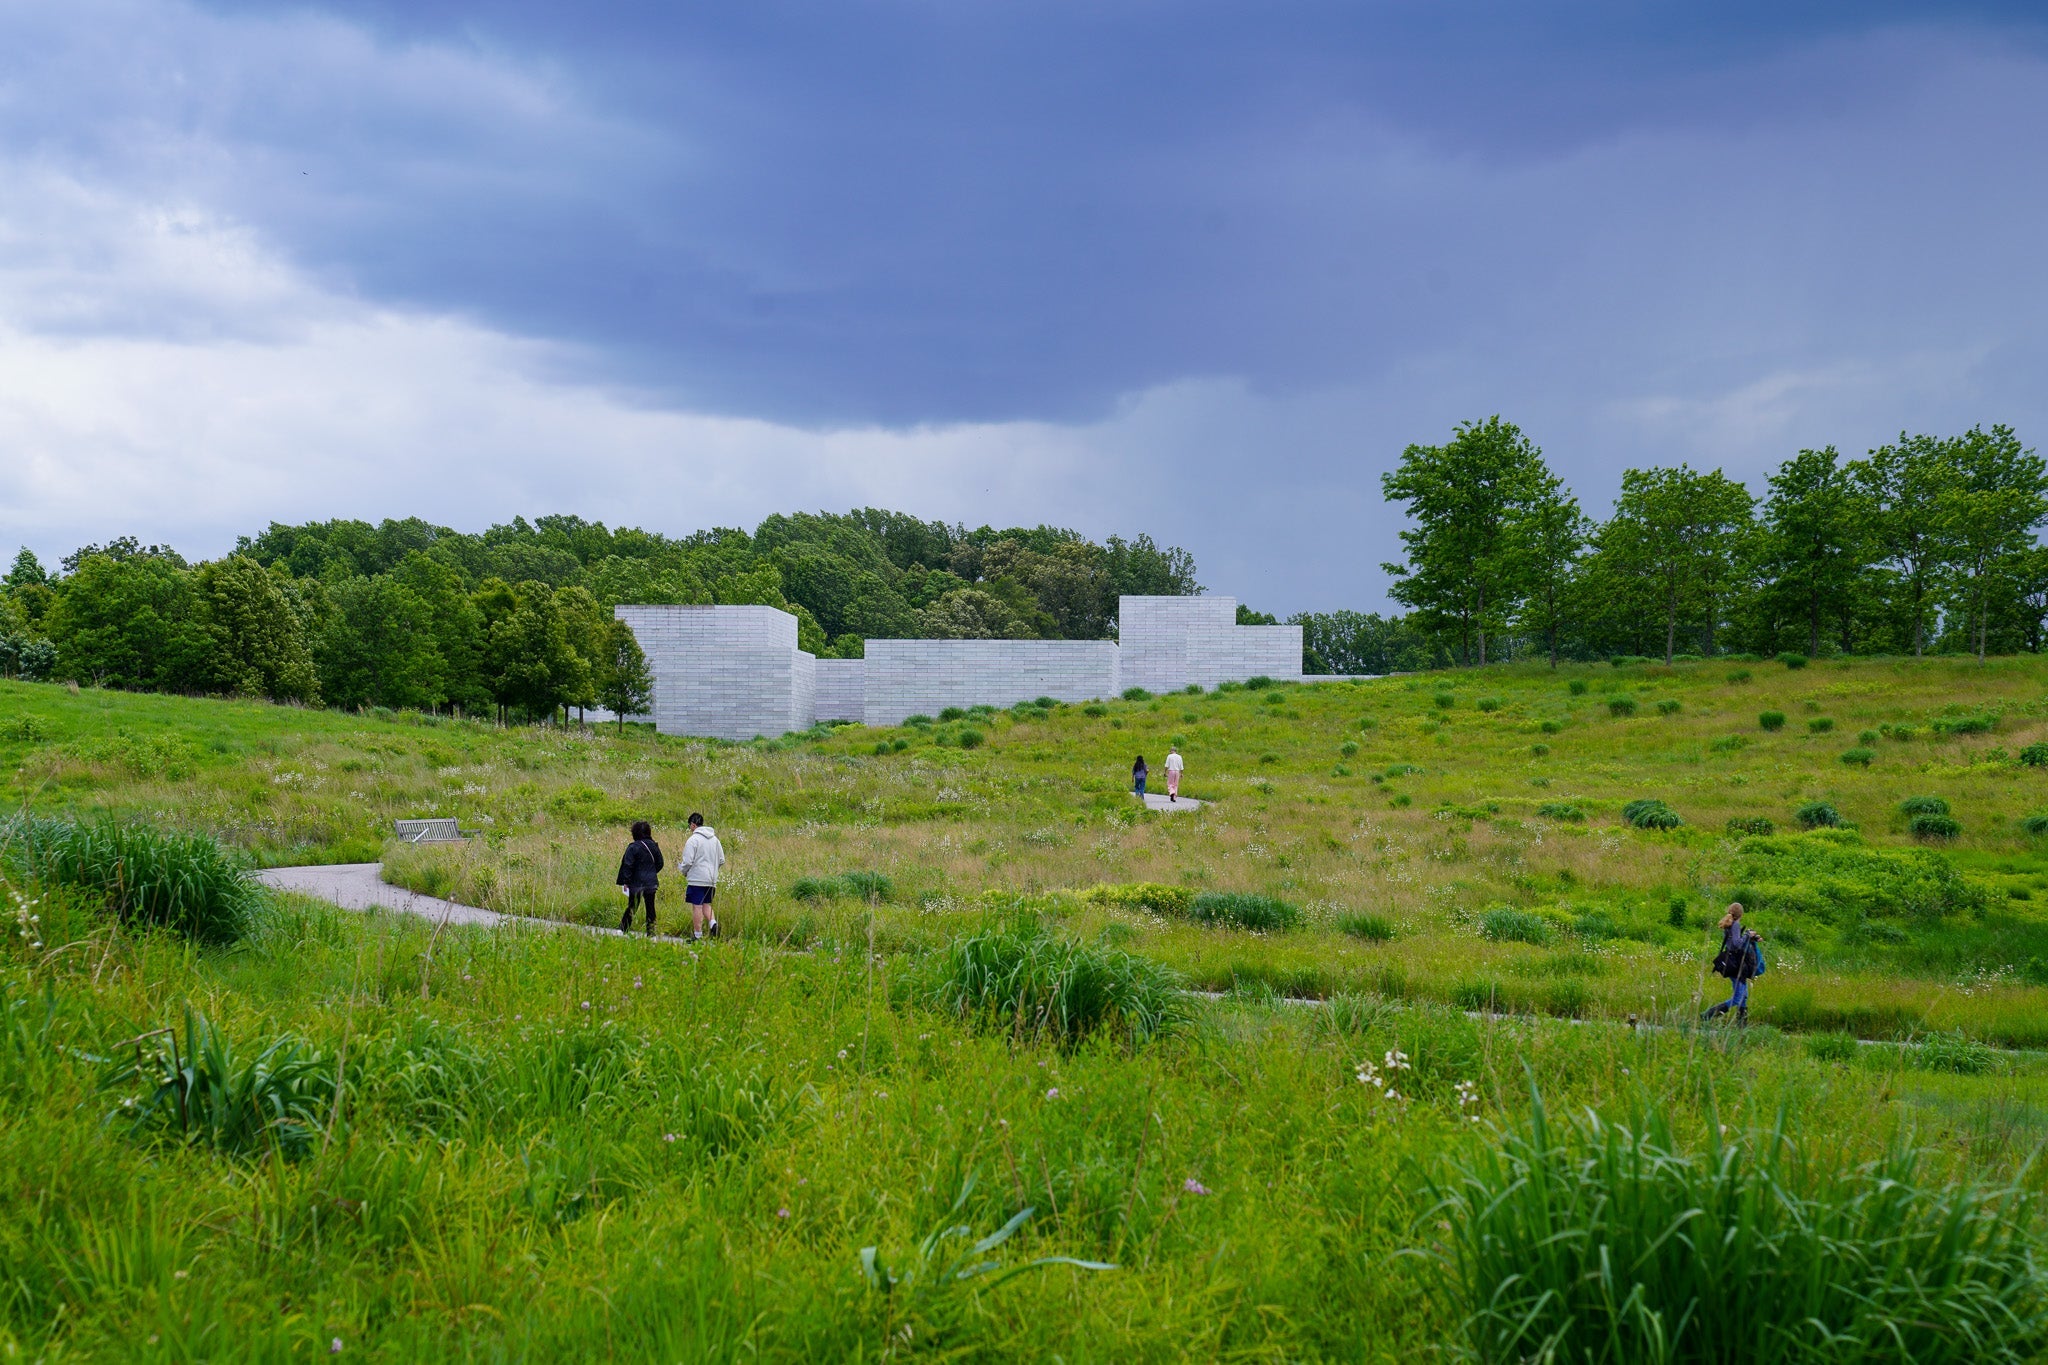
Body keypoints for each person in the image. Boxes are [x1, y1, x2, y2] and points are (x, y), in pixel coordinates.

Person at [1703, 902, 1763, 1024]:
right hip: (1736, 966)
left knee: (1744, 995)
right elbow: (1736, 944)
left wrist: (1751, 937)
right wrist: (1747, 935)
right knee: (1738, 998)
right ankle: (1708, 1015)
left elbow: (1734, 941)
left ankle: (1742, 1025)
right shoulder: (1735, 925)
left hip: (1733, 963)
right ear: (1741, 914)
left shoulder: (1730, 924)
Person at [679, 811, 726, 941]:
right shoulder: (715, 840)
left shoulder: (693, 840)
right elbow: (722, 860)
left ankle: (697, 935)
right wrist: (713, 870)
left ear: (693, 825)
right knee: (706, 904)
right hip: (711, 879)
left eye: (690, 826)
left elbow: (687, 861)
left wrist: (683, 871)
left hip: (697, 879)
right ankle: (713, 924)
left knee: (697, 906)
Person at [615, 820, 663, 936]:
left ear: (635, 833)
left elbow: (628, 865)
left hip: (636, 882)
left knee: (632, 906)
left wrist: (626, 881)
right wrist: (651, 872)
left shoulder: (633, 847)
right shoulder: (654, 846)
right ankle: (651, 933)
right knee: (650, 907)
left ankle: (623, 929)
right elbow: (660, 863)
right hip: (651, 882)